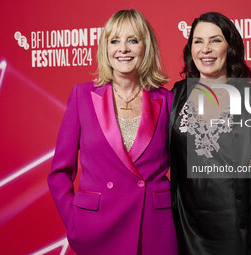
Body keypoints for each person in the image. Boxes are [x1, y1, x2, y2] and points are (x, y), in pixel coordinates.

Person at [47, 9, 178, 255]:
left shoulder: (168, 100)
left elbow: (185, 173)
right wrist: (74, 221)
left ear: (146, 47)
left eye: (133, 40)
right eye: (115, 41)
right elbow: (59, 173)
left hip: (153, 228)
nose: (123, 49)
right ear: (105, 48)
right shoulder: (82, 96)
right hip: (96, 228)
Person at [169, 12, 251, 255]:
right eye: (198, 41)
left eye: (215, 40)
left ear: (229, 47)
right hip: (190, 228)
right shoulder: (177, 95)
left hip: (242, 228)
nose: (205, 49)